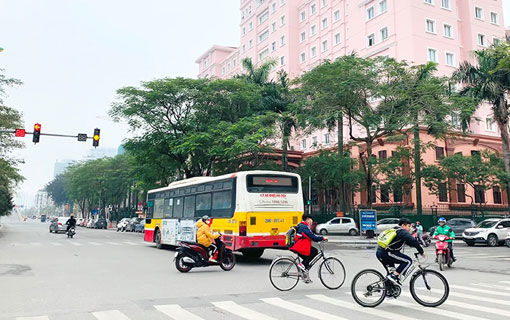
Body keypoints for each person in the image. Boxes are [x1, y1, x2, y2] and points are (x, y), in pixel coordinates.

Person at [376, 218, 425, 286]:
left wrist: (416, 246)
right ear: (403, 225)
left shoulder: (396, 229)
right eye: (408, 226)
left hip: (381, 252)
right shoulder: (402, 231)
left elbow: (408, 242)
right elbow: (413, 240)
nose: (410, 228)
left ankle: (389, 291)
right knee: (408, 261)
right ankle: (393, 276)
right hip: (387, 253)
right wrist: (421, 251)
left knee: (391, 273)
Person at [290, 213, 328, 283]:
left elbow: (311, 235)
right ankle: (302, 265)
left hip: (299, 246)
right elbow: (312, 237)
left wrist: (318, 238)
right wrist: (322, 238)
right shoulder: (304, 227)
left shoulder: (302, 225)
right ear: (307, 219)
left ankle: (305, 276)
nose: (312, 221)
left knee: (308, 260)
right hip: (300, 247)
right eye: (311, 219)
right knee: (314, 251)